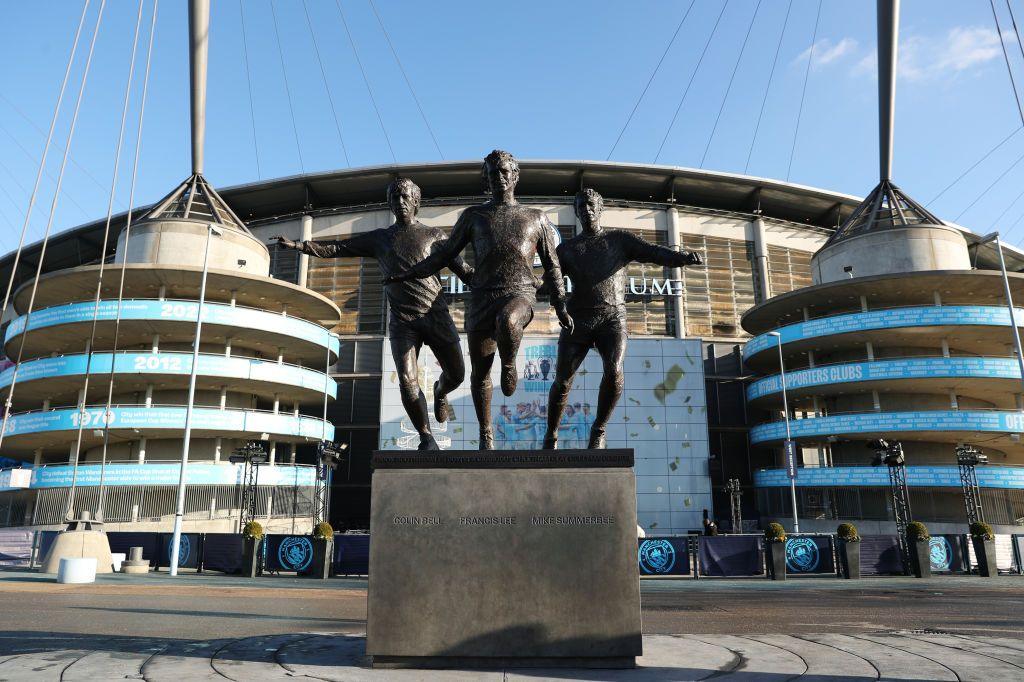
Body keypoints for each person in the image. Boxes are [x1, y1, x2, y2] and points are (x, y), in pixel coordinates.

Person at [384, 150, 572, 449]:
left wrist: (559, 302)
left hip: (519, 293)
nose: (499, 177)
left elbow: (553, 264)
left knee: (509, 321)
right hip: (482, 298)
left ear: (515, 176)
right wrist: (412, 273)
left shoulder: (535, 217)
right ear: (485, 178)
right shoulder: (474, 216)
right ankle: (486, 435)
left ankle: (509, 363)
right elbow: (445, 255)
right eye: (493, 173)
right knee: (479, 373)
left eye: (504, 172)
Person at [273, 178, 472, 451]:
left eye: (405, 197)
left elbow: (465, 272)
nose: (400, 203)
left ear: (416, 201)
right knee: (406, 380)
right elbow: (340, 249)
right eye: (395, 198)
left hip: (435, 315)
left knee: (457, 374)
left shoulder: (435, 236)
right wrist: (300, 246)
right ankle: (426, 437)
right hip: (403, 322)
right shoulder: (381, 238)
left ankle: (441, 391)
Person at [543, 189, 702, 449]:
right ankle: (551, 434)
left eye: (592, 205)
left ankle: (599, 430)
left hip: (612, 319)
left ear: (600, 208)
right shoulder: (567, 249)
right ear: (577, 211)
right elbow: (551, 281)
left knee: (614, 370)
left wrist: (681, 258)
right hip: (578, 319)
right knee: (562, 380)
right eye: (582, 206)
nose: (587, 210)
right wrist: (550, 301)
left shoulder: (619, 240)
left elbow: (653, 252)